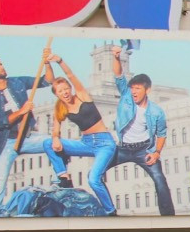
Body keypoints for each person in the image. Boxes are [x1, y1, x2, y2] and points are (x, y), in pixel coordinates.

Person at [42, 53, 118, 215]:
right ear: (56, 94)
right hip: (86, 143)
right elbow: (55, 129)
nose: (65, 93)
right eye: (60, 91)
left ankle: (110, 211)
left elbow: (70, 75)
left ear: (70, 88)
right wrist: (55, 138)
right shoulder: (60, 108)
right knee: (48, 143)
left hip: (105, 143)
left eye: (66, 89)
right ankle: (64, 177)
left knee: (93, 179)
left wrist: (60, 61)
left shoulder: (82, 96)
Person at [0, 41, 55, 209]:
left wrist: (47, 63)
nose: (1, 67)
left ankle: (60, 179)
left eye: (1, 64)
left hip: (27, 137)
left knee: (54, 143)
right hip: (6, 143)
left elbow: (47, 81)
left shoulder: (17, 82)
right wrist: (21, 112)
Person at [105, 44, 174, 215]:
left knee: (160, 180)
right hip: (122, 149)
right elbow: (119, 75)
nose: (134, 92)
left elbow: (162, 134)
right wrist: (116, 57)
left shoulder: (156, 112)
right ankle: (109, 211)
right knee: (95, 173)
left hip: (144, 150)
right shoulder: (126, 97)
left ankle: (169, 218)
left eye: (138, 88)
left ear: (147, 89)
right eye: (132, 88)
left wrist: (156, 153)